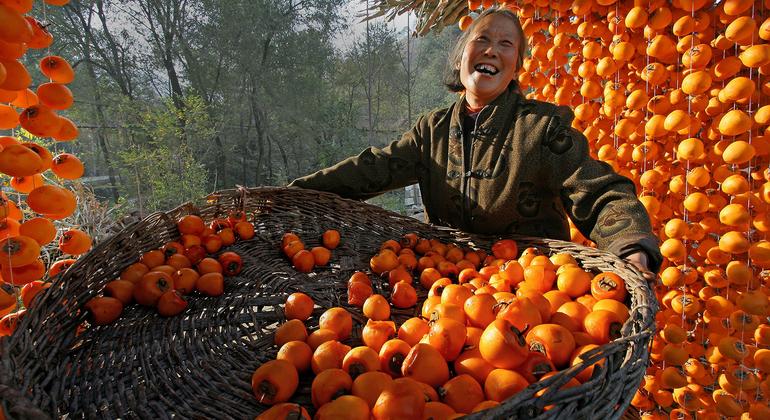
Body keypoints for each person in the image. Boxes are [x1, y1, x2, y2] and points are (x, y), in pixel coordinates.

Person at [289, 7, 662, 278]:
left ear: (516, 68)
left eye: (505, 44)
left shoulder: (542, 128)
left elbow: (596, 190)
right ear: (461, 56)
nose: (491, 50)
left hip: (534, 293)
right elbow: (369, 171)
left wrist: (631, 247)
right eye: (481, 39)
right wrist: (292, 194)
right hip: (452, 286)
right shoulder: (430, 132)